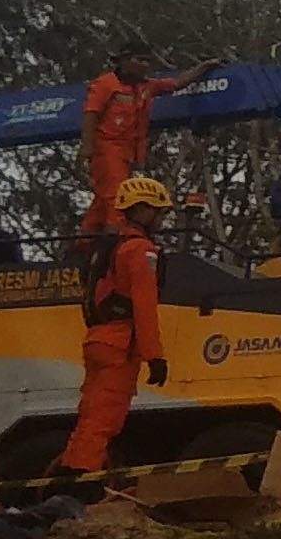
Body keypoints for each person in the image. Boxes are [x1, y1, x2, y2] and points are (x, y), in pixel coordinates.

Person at [56, 174, 172, 479]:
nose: (161, 219)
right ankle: (82, 478)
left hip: (98, 339)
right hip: (120, 344)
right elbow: (144, 307)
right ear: (143, 210)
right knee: (104, 419)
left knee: (89, 416)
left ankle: (69, 473)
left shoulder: (109, 247)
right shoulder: (141, 251)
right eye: (159, 212)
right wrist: (154, 356)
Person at [79, 46, 204, 230]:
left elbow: (176, 83)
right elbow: (91, 114)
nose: (145, 65)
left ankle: (82, 247)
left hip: (130, 154)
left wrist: (204, 67)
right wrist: (87, 148)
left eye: (148, 61)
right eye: (140, 60)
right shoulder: (105, 84)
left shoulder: (146, 86)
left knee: (101, 204)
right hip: (107, 150)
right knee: (118, 198)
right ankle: (121, 239)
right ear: (123, 60)